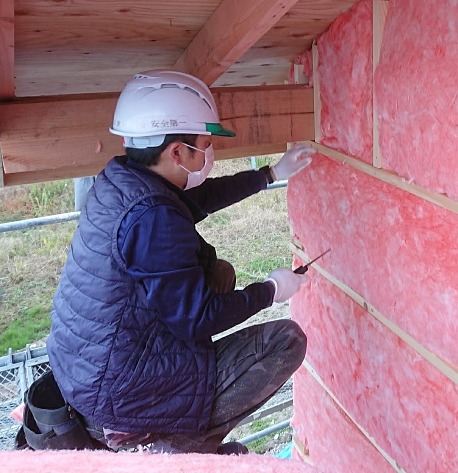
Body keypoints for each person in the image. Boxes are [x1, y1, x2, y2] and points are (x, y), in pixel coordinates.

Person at [46, 70, 315, 454]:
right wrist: (270, 291)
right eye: (205, 145)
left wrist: (270, 173)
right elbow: (199, 319)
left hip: (85, 368)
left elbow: (199, 198)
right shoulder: (151, 217)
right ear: (176, 151)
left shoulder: (122, 179)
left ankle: (156, 424)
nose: (210, 154)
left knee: (217, 272)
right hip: (116, 393)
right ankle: (174, 448)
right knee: (286, 341)